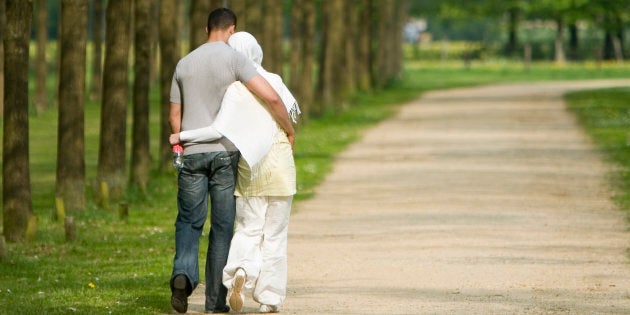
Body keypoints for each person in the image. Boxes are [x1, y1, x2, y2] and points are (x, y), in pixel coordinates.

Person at [168, 9, 295, 314]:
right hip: (226, 154)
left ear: (205, 28)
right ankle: (215, 302)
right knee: (223, 227)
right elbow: (273, 98)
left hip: (192, 152)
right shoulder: (236, 61)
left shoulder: (183, 63)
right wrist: (289, 131)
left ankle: (182, 275)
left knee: (188, 220)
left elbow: (174, 114)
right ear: (231, 29)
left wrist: (179, 143)